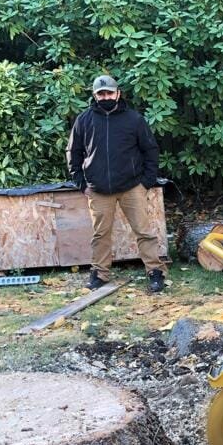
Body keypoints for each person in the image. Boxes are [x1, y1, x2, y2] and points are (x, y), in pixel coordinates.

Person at [66, 74, 167, 293]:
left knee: (144, 231)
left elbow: (150, 150)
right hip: (98, 189)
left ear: (118, 93)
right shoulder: (84, 120)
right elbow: (73, 152)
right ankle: (100, 273)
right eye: (101, 94)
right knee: (100, 234)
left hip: (132, 187)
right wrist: (81, 183)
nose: (105, 97)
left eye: (109, 93)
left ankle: (155, 272)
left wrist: (146, 182)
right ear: (95, 95)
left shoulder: (134, 119)